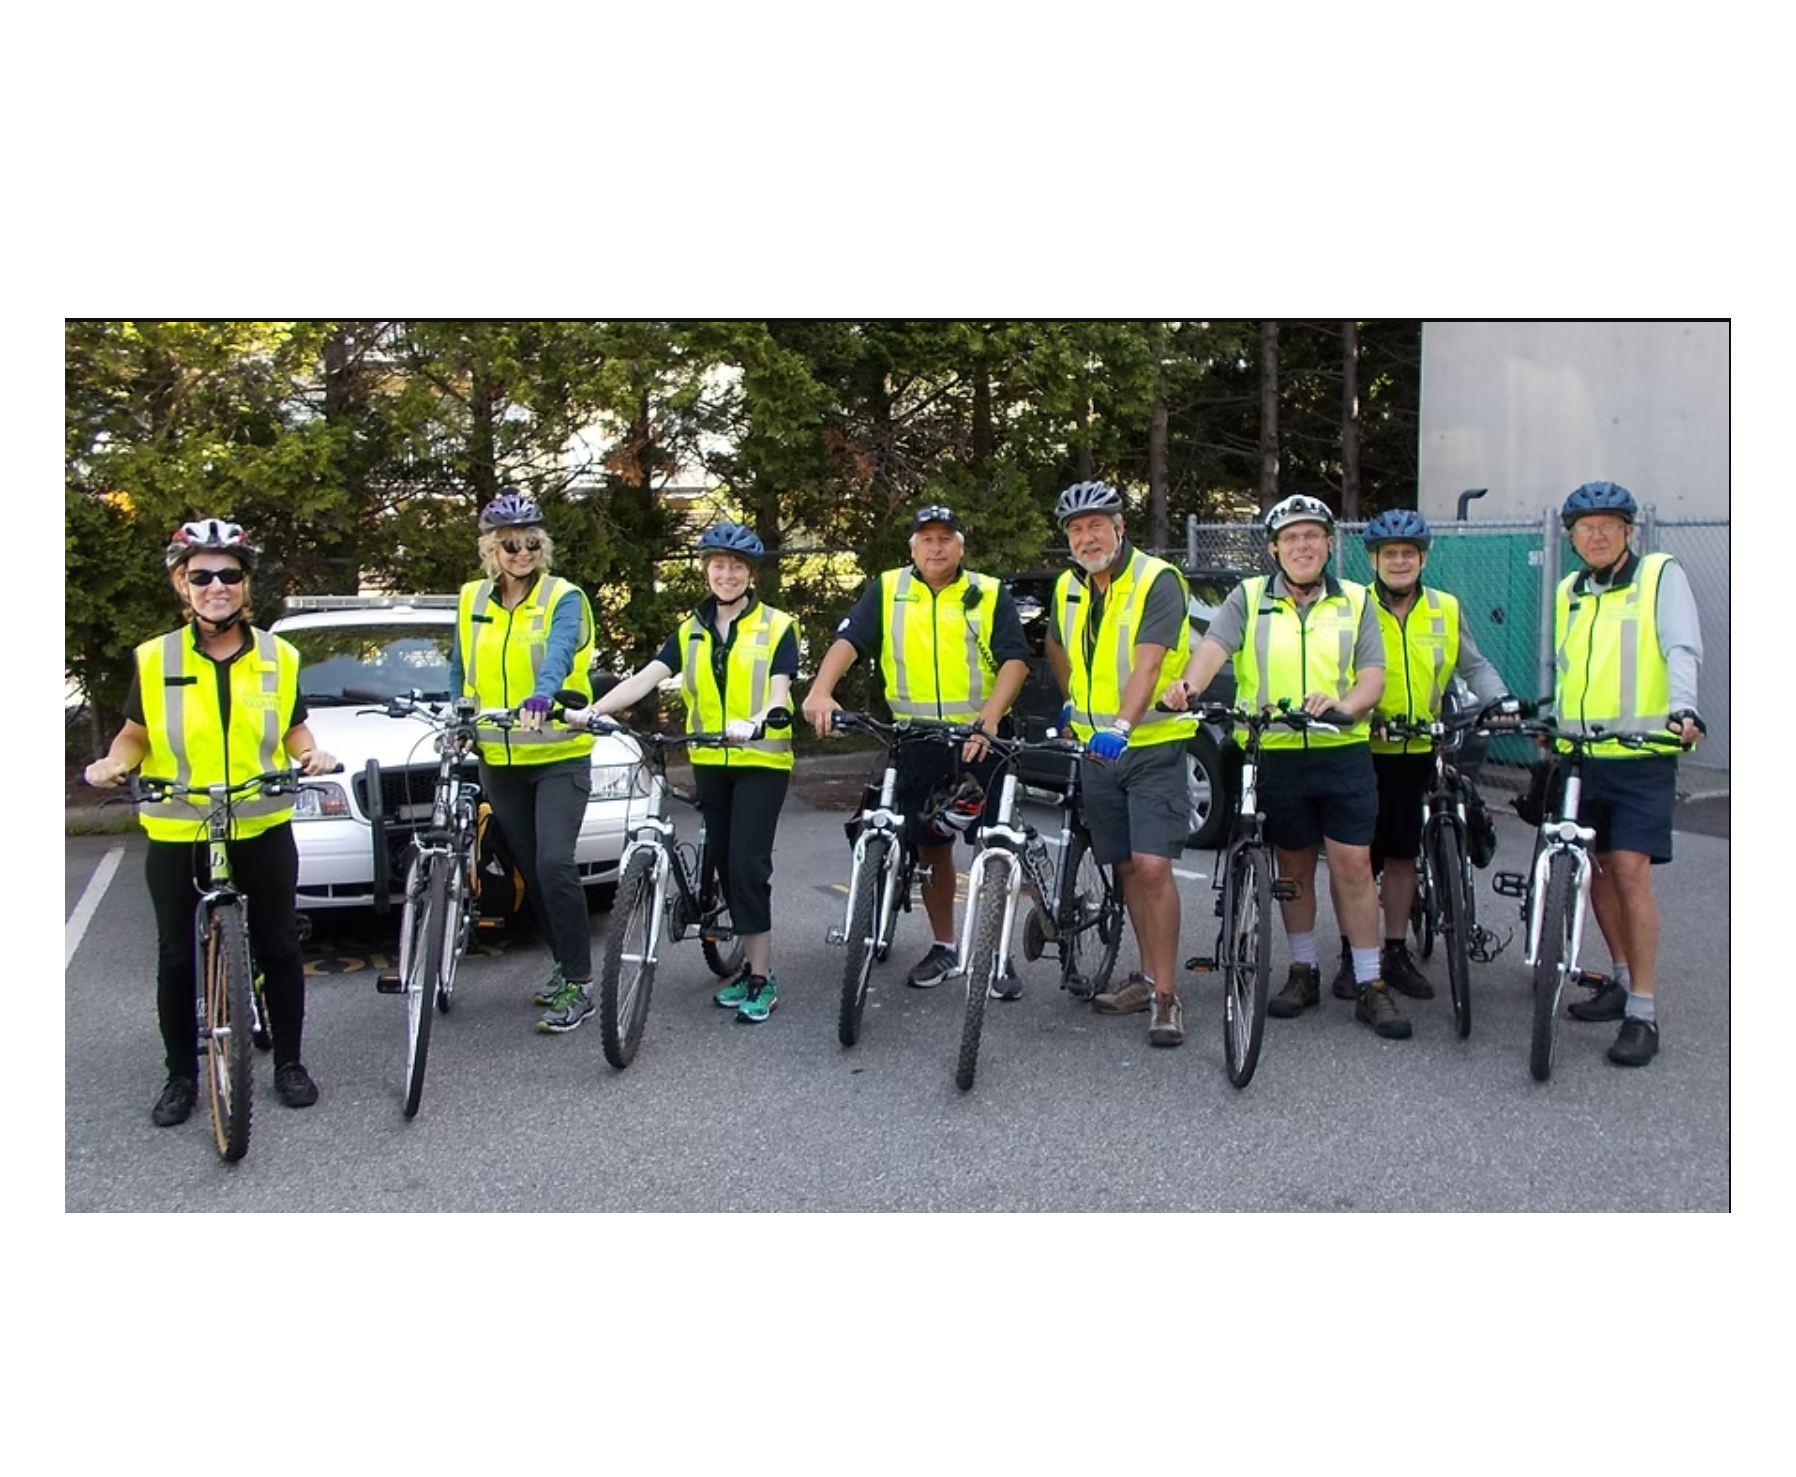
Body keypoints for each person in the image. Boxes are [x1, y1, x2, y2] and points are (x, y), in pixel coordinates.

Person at [84, 519, 338, 1126]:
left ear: (246, 585)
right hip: (180, 825)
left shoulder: (280, 656)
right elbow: (133, 736)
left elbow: (293, 727)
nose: (216, 586)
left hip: (260, 822)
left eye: (229, 574)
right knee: (175, 955)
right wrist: (112, 764)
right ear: (182, 584)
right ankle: (181, 1077)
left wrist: (310, 753)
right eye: (202, 576)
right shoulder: (156, 657)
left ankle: (289, 1065)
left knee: (279, 946)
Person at [1170, 494, 1410, 1039]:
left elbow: (1373, 674)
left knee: (1352, 864)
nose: (1302, 545)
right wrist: (1189, 684)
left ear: (1329, 544)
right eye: (1291, 537)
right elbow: (1214, 647)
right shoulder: (1249, 597)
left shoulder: (1355, 601)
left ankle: (1371, 983)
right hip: (1273, 751)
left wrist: (1348, 707)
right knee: (1294, 868)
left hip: (1340, 750)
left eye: (1312, 536)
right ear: (1275, 547)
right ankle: (1303, 971)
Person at [803, 503, 1031, 997]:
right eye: (926, 538)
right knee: (931, 844)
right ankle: (945, 946)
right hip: (918, 736)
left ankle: (997, 957)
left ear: (961, 545)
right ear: (911, 546)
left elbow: (1016, 659)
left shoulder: (987, 593)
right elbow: (850, 641)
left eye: (946, 537)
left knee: (996, 844)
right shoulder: (889, 589)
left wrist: (989, 718)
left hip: (981, 736)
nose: (936, 546)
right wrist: (821, 689)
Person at [579, 523, 798, 1024]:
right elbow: (645, 678)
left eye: (736, 566)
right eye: (718, 565)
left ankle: (762, 976)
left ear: (750, 574)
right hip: (708, 759)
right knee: (720, 859)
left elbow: (780, 693)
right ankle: (738, 961)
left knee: (746, 865)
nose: (726, 574)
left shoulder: (778, 626)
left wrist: (759, 722)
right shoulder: (691, 628)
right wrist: (594, 712)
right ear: (707, 570)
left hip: (761, 759)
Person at [1328, 509, 1522, 1001]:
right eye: (1389, 554)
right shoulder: (1352, 605)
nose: (1398, 561)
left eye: (1407, 554)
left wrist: (1498, 700)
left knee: (1400, 855)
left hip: (1418, 748)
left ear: (1422, 557)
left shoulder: (1445, 607)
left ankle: (1393, 949)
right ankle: (1354, 952)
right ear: (1372, 558)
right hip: (1361, 746)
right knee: (1356, 860)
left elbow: (1474, 666)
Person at [1551, 481, 1705, 1067]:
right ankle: (1618, 977)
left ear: (1628, 532)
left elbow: (1680, 648)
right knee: (1598, 873)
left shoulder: (1658, 575)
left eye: (1607, 525)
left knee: (1631, 873)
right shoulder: (1570, 590)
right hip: (1583, 757)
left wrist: (1683, 709)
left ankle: (1643, 1009)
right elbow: (1571, 668)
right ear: (1571, 537)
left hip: (1641, 755)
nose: (1595, 534)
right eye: (1584, 527)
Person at [1047, 481, 1193, 1048]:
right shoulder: (1068, 586)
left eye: (1097, 525)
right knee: (1128, 869)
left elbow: (1149, 665)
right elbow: (1058, 646)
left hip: (1151, 744)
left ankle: (1167, 996)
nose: (1087, 537)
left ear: (1120, 527)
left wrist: (1122, 726)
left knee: (1153, 867)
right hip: (1095, 749)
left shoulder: (1157, 580)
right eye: (1077, 529)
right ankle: (1146, 975)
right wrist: (1070, 701)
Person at [447, 490, 598, 1033]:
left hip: (558, 752)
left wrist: (542, 695)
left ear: (543, 544)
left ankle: (581, 982)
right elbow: (460, 666)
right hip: (499, 757)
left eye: (531, 542)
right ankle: (562, 966)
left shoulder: (564, 596)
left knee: (556, 864)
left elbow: (560, 650)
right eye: (509, 544)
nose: (521, 552)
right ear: (491, 547)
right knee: (532, 871)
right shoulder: (471, 600)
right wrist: (458, 716)